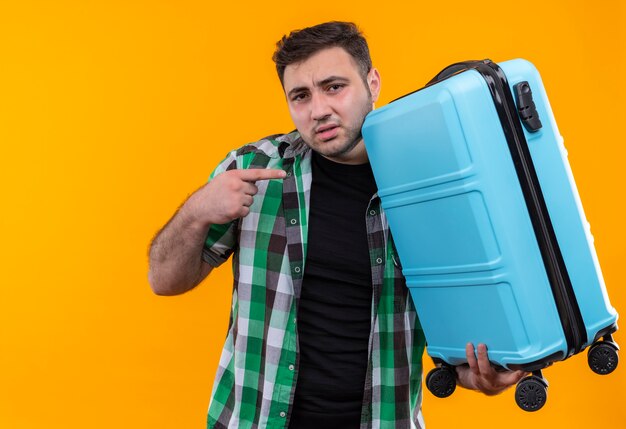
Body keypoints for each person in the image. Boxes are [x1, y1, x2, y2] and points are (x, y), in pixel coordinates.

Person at [148, 21, 525, 429]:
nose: (318, 110)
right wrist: (197, 210)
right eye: (301, 96)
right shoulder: (251, 171)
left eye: (334, 87)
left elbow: (457, 350)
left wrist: (486, 375)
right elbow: (164, 280)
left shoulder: (431, 188)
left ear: (372, 83)